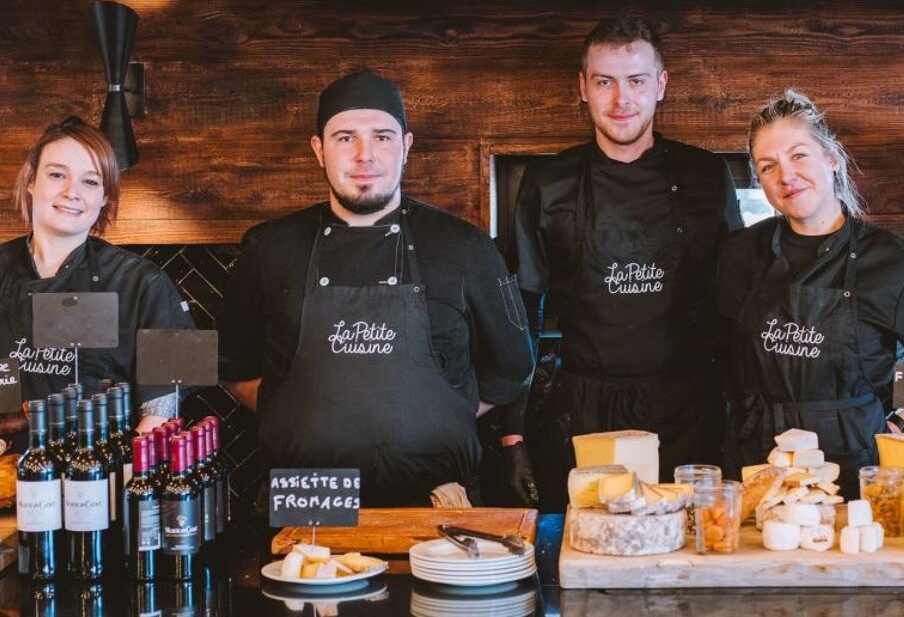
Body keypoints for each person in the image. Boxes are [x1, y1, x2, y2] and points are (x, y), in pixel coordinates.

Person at [218, 71, 534, 507]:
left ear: (405, 146)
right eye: (345, 138)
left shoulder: (465, 247)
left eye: (382, 137)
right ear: (319, 150)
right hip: (308, 509)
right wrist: (293, 416)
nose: (365, 155)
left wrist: (444, 414)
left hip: (437, 503)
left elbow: (512, 367)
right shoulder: (269, 249)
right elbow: (233, 367)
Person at [507, 16, 742, 509]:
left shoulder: (705, 176)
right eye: (605, 82)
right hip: (584, 409)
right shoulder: (549, 183)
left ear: (660, 85)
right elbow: (521, 312)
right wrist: (511, 432)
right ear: (583, 88)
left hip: (687, 407)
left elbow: (737, 300)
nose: (621, 100)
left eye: (636, 81)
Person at [717, 91, 904, 497]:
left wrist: (902, 419)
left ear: (832, 158)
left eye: (799, 156)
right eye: (768, 166)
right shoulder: (739, 254)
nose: (786, 176)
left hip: (851, 469)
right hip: (756, 465)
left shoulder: (893, 262)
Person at [0, 117, 193, 438]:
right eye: (57, 174)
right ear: (32, 181)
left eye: (90, 181)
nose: (70, 192)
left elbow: (164, 410)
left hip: (99, 478)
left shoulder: (145, 282)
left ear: (105, 196)